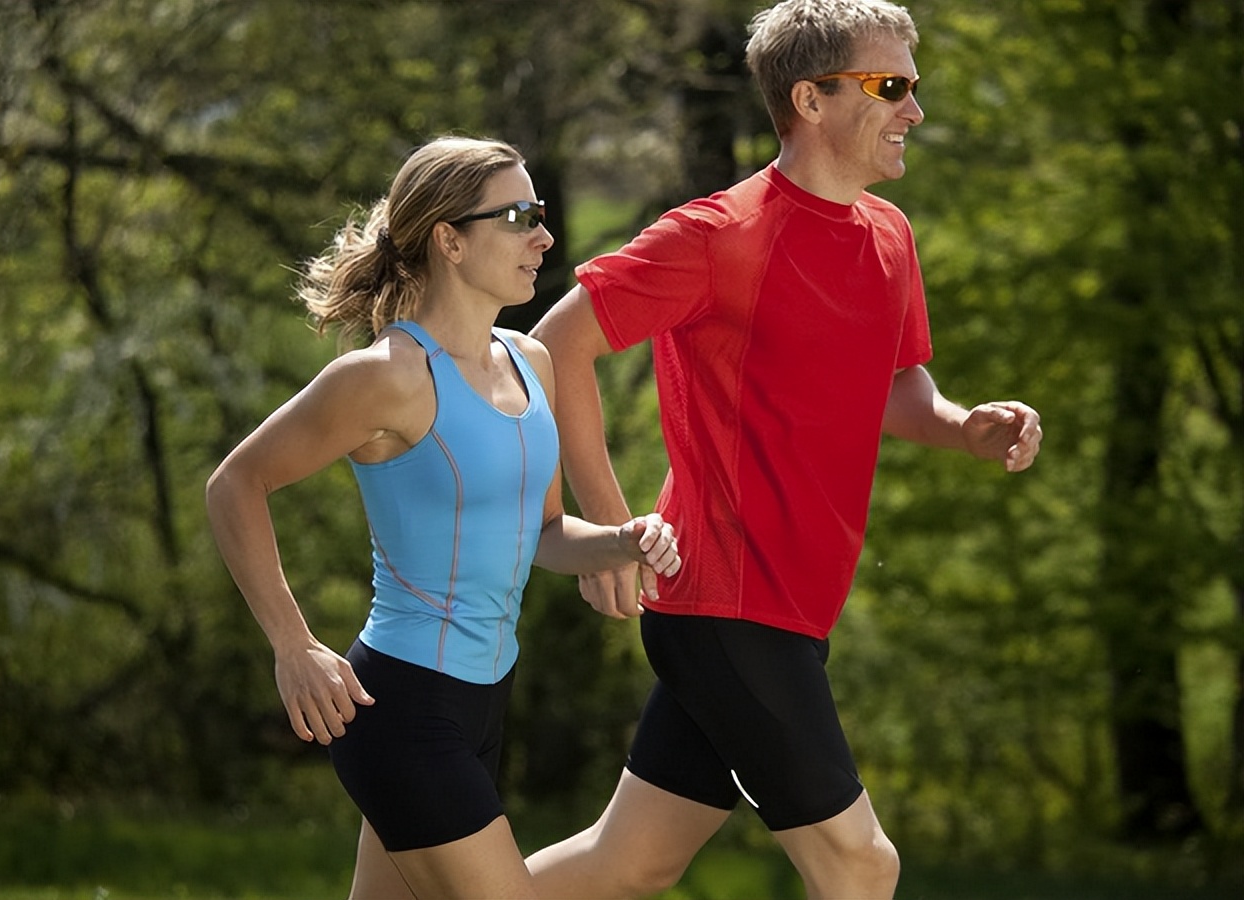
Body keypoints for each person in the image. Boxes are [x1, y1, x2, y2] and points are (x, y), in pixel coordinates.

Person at [521, 1, 1045, 898]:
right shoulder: (716, 236)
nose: (914, 111)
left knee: (628, 862)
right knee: (859, 863)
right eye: (891, 88)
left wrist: (961, 425)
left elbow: (896, 385)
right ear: (809, 98)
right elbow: (554, 343)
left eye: (914, 88)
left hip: (795, 608)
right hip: (724, 602)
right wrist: (606, 529)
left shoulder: (889, 237)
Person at [205, 136, 681, 900]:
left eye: (543, 214)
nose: (545, 237)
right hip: (402, 707)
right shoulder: (384, 378)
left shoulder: (532, 362)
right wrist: (293, 646)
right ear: (449, 240)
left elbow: (547, 537)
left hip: (485, 703)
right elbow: (235, 485)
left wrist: (622, 540)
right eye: (519, 216)